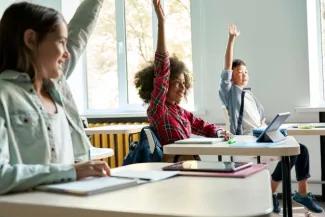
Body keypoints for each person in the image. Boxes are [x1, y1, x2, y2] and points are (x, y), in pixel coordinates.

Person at [0, 0, 110, 195]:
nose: (67, 53)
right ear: (31, 39)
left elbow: (80, 35)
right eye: (61, 42)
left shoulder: (56, 89)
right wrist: (70, 171)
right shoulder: (4, 95)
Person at [218, 24, 323, 213]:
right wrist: (231, 39)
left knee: (300, 149)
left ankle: (299, 193)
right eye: (239, 71)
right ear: (231, 76)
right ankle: (274, 193)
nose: (244, 75)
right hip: (247, 140)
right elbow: (225, 69)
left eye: (246, 72)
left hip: (261, 136)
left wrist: (269, 127)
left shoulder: (250, 95)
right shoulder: (230, 93)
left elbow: (260, 120)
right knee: (292, 151)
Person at [134, 0, 226, 147]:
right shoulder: (158, 110)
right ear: (165, 85)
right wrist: (161, 23)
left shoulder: (181, 112)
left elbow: (204, 127)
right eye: (177, 82)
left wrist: (219, 132)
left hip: (191, 162)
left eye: (184, 84)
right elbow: (162, 70)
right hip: (176, 167)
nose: (182, 88)